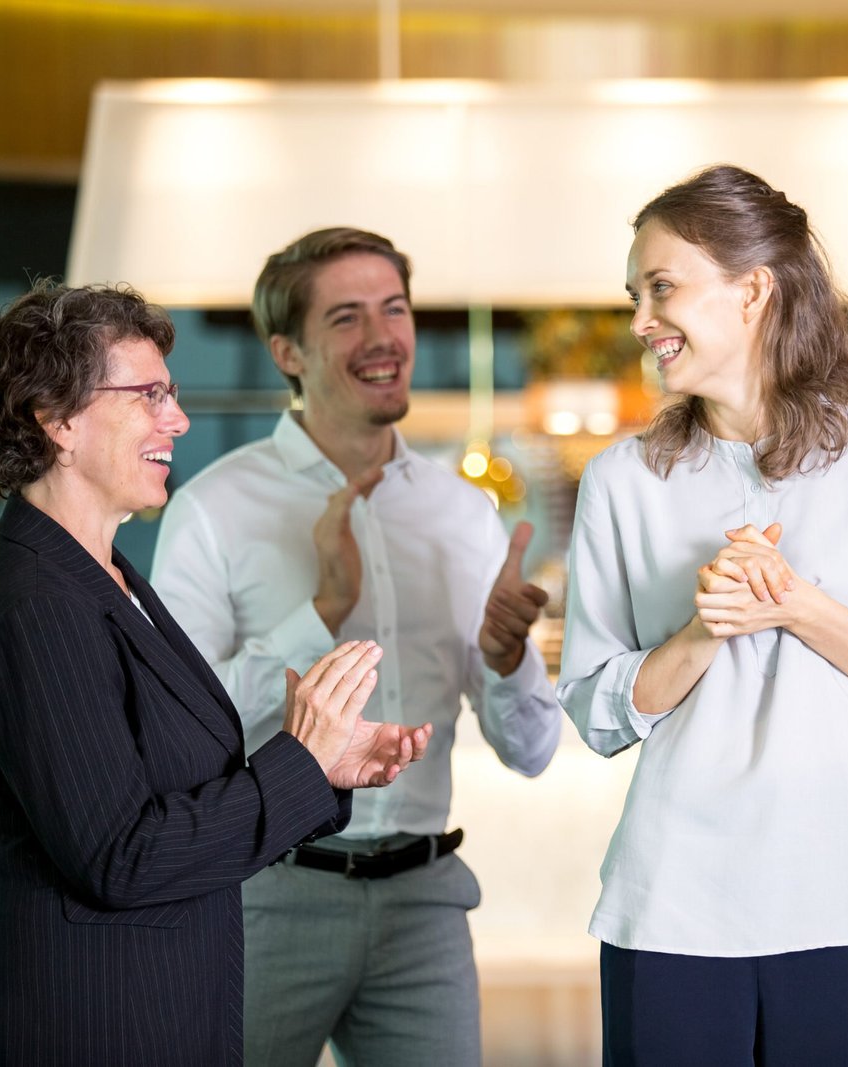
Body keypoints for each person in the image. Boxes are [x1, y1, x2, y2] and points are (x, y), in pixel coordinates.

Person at [558, 164, 848, 1065]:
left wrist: (799, 605)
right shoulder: (621, 480)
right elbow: (596, 714)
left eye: (662, 287)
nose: (640, 319)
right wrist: (701, 630)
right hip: (672, 908)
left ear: (753, 292)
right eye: (635, 293)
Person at [0, 282, 430, 1066]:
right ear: (57, 418)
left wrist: (320, 772)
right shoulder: (38, 606)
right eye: (147, 395)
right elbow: (123, 855)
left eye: (170, 394)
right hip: (86, 1034)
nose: (178, 419)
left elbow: (172, 805)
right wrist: (297, 762)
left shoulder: (108, 576)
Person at [151, 228, 561, 1066]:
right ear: (287, 351)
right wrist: (321, 611)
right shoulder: (212, 510)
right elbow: (174, 734)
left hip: (425, 907)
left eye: (395, 308)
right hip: (264, 894)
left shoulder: (464, 514)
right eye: (346, 317)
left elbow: (532, 749)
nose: (382, 338)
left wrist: (508, 655)